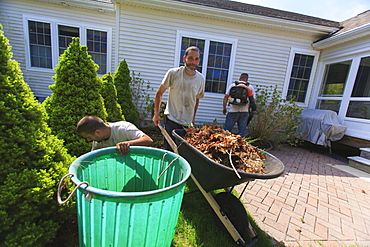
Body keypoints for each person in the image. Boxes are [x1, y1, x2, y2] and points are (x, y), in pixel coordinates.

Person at [152, 46, 205, 150]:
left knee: (183, 152)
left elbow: (196, 99)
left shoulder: (200, 79)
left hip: (187, 124)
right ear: (184, 58)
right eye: (190, 58)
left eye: (196, 59)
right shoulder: (173, 73)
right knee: (169, 151)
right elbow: (159, 93)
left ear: (199, 61)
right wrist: (156, 114)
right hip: (172, 119)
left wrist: (193, 119)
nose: (193, 62)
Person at [77, 116, 153, 155]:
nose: (88, 140)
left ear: (98, 132)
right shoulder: (97, 142)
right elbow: (92, 158)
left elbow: (148, 140)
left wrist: (128, 144)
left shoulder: (123, 128)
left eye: (88, 137)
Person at [222, 73, 256, 137]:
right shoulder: (249, 87)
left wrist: (224, 107)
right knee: (242, 130)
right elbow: (253, 100)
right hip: (244, 111)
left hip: (233, 111)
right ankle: (241, 145)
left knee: (227, 130)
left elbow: (226, 97)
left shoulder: (233, 85)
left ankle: (224, 143)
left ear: (239, 78)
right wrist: (250, 109)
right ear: (247, 79)